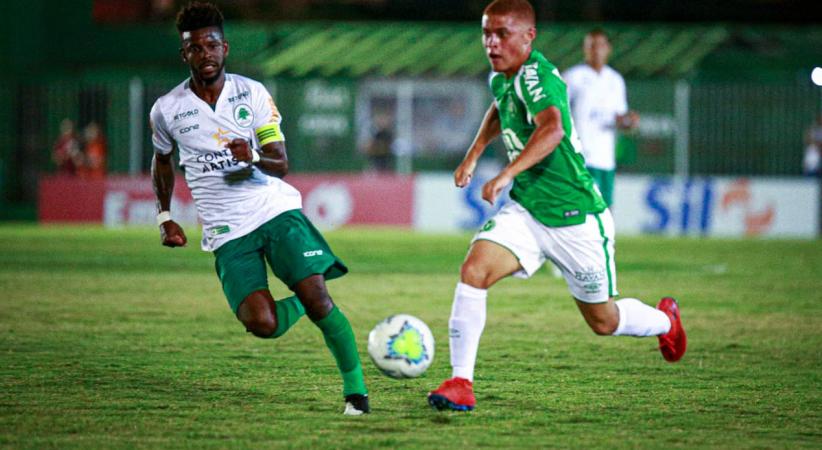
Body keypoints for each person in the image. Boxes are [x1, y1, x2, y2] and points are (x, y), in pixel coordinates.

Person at [427, 0, 686, 412]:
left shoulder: (540, 75)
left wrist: (506, 173)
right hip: (528, 212)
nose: (492, 43)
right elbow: (500, 107)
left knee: (604, 321)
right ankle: (461, 382)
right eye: (486, 33)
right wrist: (473, 154)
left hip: (575, 218)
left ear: (529, 37)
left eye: (502, 34)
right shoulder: (502, 75)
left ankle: (666, 322)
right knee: (473, 271)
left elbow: (552, 128)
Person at [149, 2, 369, 415]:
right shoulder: (167, 109)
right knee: (262, 324)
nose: (205, 54)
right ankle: (307, 291)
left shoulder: (252, 93)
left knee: (320, 302)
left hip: (273, 210)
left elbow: (280, 163)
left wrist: (250, 156)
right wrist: (164, 217)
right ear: (185, 55)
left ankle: (356, 394)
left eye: (212, 44)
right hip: (226, 230)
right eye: (195, 48)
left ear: (225, 47)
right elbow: (162, 161)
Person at [563, 28, 639, 207]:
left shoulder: (615, 80)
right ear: (585, 49)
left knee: (604, 212)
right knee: (580, 211)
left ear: (608, 49)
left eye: (600, 45)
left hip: (605, 158)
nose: (596, 50)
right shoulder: (572, 77)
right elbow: (556, 112)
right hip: (579, 157)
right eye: (591, 45)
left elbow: (620, 119)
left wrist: (629, 122)